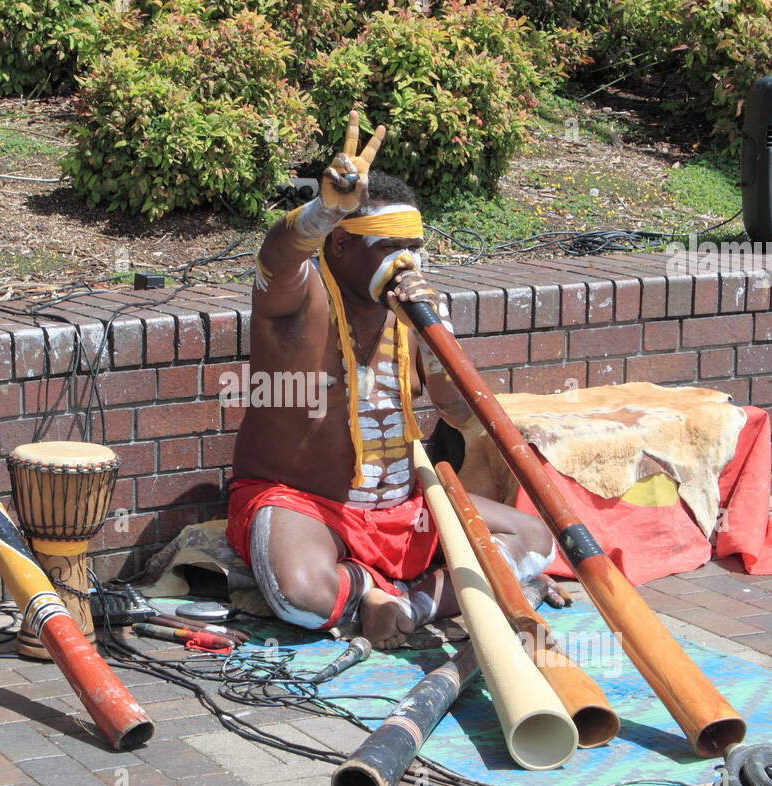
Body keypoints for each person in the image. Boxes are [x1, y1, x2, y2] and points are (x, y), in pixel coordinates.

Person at [225, 110, 562, 649]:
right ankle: (391, 589)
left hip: (403, 507)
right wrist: (322, 211)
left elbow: (459, 412)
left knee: (534, 539)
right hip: (307, 505)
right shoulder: (300, 301)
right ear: (340, 245)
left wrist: (432, 335)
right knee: (301, 597)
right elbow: (276, 257)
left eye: (416, 247)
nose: (407, 262)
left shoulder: (415, 313)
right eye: (388, 248)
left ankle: (397, 602)